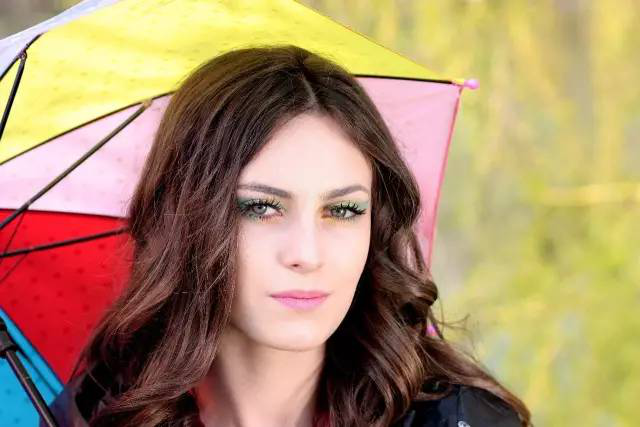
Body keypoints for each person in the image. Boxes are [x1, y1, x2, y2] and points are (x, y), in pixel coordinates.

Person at [41, 44, 531, 427]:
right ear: (186, 220)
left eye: (342, 210)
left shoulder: (455, 421)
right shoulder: (98, 414)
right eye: (261, 208)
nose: (307, 254)